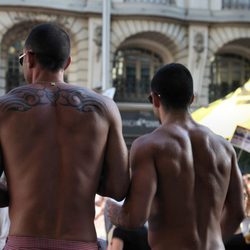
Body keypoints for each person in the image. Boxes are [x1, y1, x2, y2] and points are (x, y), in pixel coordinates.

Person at [0, 23, 129, 250]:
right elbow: (118, 188)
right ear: (67, 63)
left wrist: (20, 184)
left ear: (29, 58)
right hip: (81, 243)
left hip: (25, 243)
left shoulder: (6, 108)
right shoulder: (104, 108)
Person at [108, 63, 245, 250]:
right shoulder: (224, 147)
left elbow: (135, 218)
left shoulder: (149, 146)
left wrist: (113, 210)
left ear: (155, 99)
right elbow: (237, 212)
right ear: (192, 99)